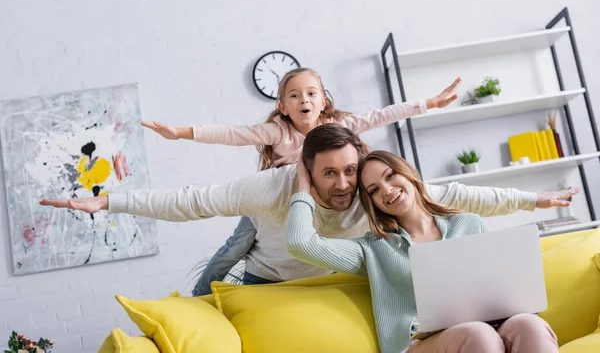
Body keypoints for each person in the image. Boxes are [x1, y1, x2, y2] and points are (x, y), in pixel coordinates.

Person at [39, 124, 580, 293]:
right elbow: (190, 201)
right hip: (272, 280)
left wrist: (538, 197)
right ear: (307, 170)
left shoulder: (376, 191)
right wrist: (106, 200)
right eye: (329, 173)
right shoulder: (273, 188)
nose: (344, 184)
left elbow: (460, 195)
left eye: (352, 172)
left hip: (339, 278)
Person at [142, 67, 462, 294]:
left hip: (317, 206)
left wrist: (430, 104)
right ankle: (199, 298)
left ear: (323, 101)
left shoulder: (341, 127)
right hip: (275, 203)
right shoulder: (278, 132)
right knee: (234, 249)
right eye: (293, 96)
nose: (303, 99)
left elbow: (382, 115)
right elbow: (232, 134)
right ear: (283, 107)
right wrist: (179, 133)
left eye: (311, 93)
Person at [286, 149, 559, 353]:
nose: (388, 190)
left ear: (408, 173)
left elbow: (499, 287)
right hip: (422, 343)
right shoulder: (374, 249)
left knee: (528, 325)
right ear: (372, 203)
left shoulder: (468, 223)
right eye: (374, 190)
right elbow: (300, 243)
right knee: (479, 335)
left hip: (490, 324)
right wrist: (303, 186)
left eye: (390, 176)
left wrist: (517, 302)